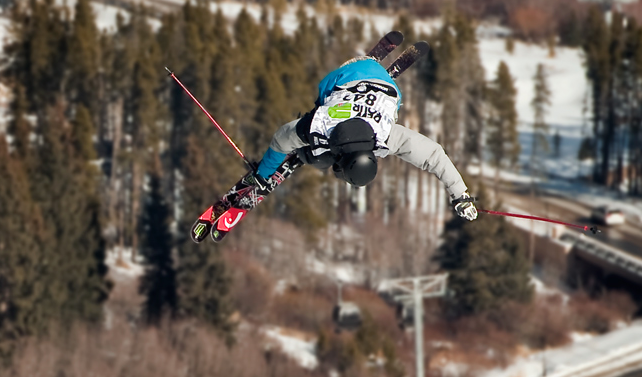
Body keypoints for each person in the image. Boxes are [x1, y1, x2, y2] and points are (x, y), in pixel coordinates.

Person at [195, 52, 478, 241]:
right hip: (346, 81)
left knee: (317, 153)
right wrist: (263, 174)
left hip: (374, 85)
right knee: (315, 157)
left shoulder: (385, 134)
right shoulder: (324, 124)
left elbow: (435, 155)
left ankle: (315, 147)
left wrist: (460, 194)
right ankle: (309, 154)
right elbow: (282, 140)